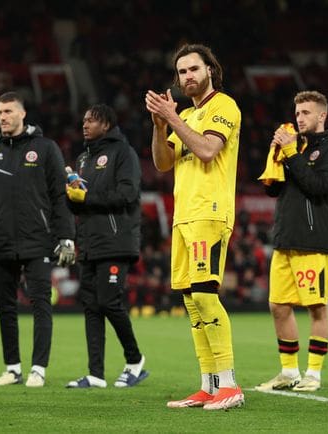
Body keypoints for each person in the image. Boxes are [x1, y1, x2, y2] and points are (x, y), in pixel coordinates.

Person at [145, 43, 244, 410]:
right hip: (184, 215)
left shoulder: (224, 106)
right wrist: (159, 126)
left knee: (205, 295)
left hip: (210, 212)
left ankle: (230, 384)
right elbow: (162, 162)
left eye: (193, 70)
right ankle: (208, 384)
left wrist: (171, 119)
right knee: (191, 301)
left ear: (210, 71)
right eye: (182, 72)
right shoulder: (184, 114)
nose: (187, 77)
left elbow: (206, 150)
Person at [0, 91, 75, 388]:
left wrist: (66, 237)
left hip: (37, 240)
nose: (3, 117)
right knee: (5, 307)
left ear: (22, 114)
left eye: (9, 111)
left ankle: (38, 369)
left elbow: (59, 197)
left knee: (41, 305)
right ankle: (12, 369)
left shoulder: (45, 148)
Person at [255, 91, 328, 392]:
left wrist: (292, 153)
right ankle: (288, 371)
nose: (299, 118)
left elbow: (318, 186)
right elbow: (273, 191)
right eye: (297, 113)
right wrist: (275, 155)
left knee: (316, 307)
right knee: (278, 306)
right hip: (285, 238)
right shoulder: (294, 147)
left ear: (322, 116)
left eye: (306, 113)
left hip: (314, 241)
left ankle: (314, 374)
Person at [64, 104, 148, 389]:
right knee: (91, 306)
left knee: (109, 302)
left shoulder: (123, 153)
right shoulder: (83, 159)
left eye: (91, 120)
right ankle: (96, 374)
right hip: (89, 242)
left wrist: (85, 198)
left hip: (116, 240)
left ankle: (135, 360)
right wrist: (71, 196)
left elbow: (127, 194)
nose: (84, 124)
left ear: (107, 124)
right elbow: (80, 203)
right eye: (84, 119)